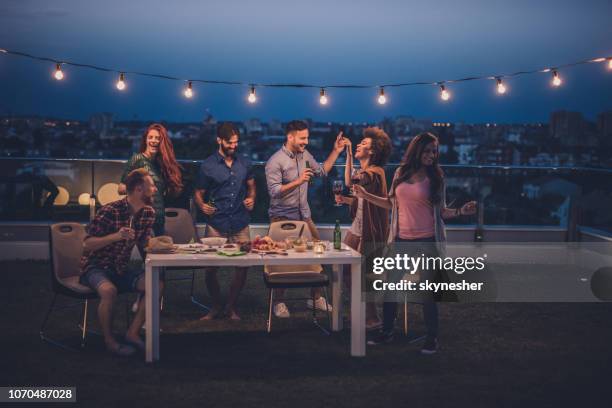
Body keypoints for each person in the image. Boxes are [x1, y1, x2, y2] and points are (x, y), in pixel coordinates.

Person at [354, 132, 476, 354]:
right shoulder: (401, 173)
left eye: (434, 151)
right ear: (417, 150)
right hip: (401, 240)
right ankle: (387, 332)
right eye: (428, 150)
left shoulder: (437, 177)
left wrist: (460, 211)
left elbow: (442, 212)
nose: (432, 155)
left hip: (427, 241)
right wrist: (364, 195)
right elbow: (392, 204)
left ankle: (432, 338)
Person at [265, 120, 349, 318]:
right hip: (281, 218)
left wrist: (336, 151)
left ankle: (316, 297)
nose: (306, 142)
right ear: (290, 137)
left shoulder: (304, 155)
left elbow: (321, 172)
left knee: (318, 256)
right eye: (303, 138)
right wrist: (298, 181)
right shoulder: (274, 162)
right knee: (281, 263)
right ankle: (278, 302)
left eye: (307, 138)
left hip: (305, 216)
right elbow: (274, 192)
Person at [80, 168, 164, 357]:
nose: (155, 190)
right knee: (109, 290)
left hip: (120, 269)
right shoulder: (110, 210)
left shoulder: (148, 213)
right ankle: (110, 342)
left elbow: (144, 245)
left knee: (155, 284)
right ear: (138, 189)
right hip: (96, 267)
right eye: (152, 186)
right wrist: (116, 237)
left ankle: (132, 333)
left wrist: (152, 262)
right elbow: (86, 245)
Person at [194, 123, 256, 321]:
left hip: (240, 221)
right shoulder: (207, 165)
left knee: (243, 266)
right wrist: (202, 205)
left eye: (236, 142)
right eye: (230, 142)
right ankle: (215, 306)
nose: (234, 146)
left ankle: (230, 306)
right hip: (216, 223)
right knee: (210, 268)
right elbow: (198, 193)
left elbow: (252, 186)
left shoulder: (245, 163)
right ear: (219, 140)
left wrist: (252, 198)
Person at [335, 127, 391, 330]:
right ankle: (360, 311)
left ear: (373, 152)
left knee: (363, 275)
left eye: (364, 144)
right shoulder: (363, 171)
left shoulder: (375, 173)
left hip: (369, 232)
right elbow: (362, 201)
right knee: (346, 270)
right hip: (356, 228)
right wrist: (346, 199)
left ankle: (372, 317)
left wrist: (349, 153)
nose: (359, 144)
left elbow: (353, 181)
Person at [118, 123, 183, 236]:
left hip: (159, 219)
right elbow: (121, 188)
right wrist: (143, 187)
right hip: (142, 218)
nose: (154, 141)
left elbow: (164, 193)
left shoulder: (161, 164)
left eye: (158, 138)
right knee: (150, 252)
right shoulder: (137, 159)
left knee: (159, 252)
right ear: (145, 140)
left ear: (162, 142)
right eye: (150, 137)